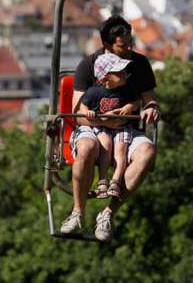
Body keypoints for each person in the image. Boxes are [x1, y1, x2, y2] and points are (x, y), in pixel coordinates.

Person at [61, 15, 161, 241]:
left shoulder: (139, 64)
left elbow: (149, 99)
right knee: (86, 148)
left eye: (130, 43)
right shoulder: (89, 66)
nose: (129, 49)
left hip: (126, 129)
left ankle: (107, 213)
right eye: (122, 46)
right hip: (94, 128)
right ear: (107, 45)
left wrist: (150, 108)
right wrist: (105, 122)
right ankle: (78, 212)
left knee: (148, 153)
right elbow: (78, 115)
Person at [79, 53, 138, 199]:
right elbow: (82, 107)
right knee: (105, 144)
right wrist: (88, 113)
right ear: (105, 78)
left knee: (120, 150)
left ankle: (116, 181)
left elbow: (136, 102)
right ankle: (103, 179)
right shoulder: (93, 92)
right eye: (119, 72)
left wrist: (129, 107)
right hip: (103, 127)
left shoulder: (126, 89)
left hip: (121, 128)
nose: (125, 73)